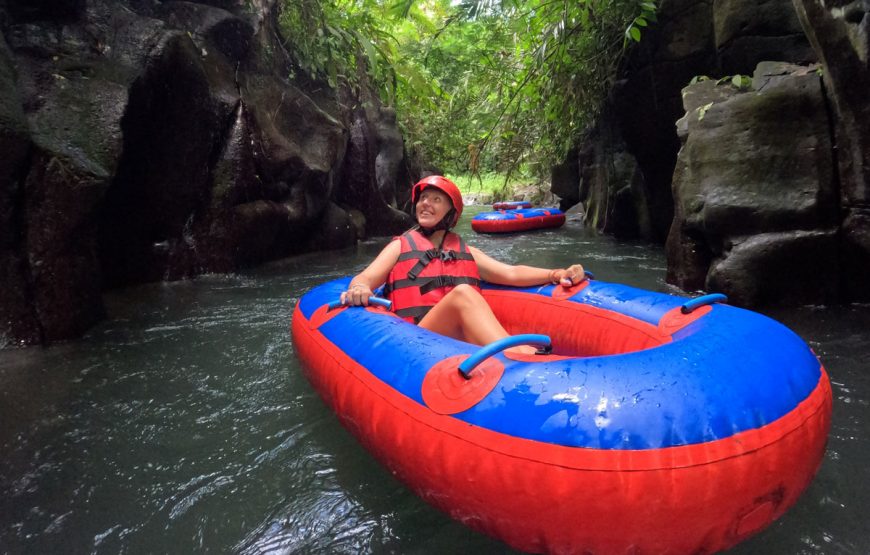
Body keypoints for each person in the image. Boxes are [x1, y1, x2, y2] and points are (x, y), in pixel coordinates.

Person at [340, 175, 586, 351]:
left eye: (436, 200)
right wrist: (359, 287)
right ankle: (520, 355)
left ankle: (517, 354)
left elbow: (511, 273)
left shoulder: (466, 251)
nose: (425, 203)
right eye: (423, 198)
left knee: (463, 295)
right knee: (463, 295)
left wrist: (555, 273)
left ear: (451, 213)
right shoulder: (400, 246)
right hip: (416, 342)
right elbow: (365, 278)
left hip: (455, 345)